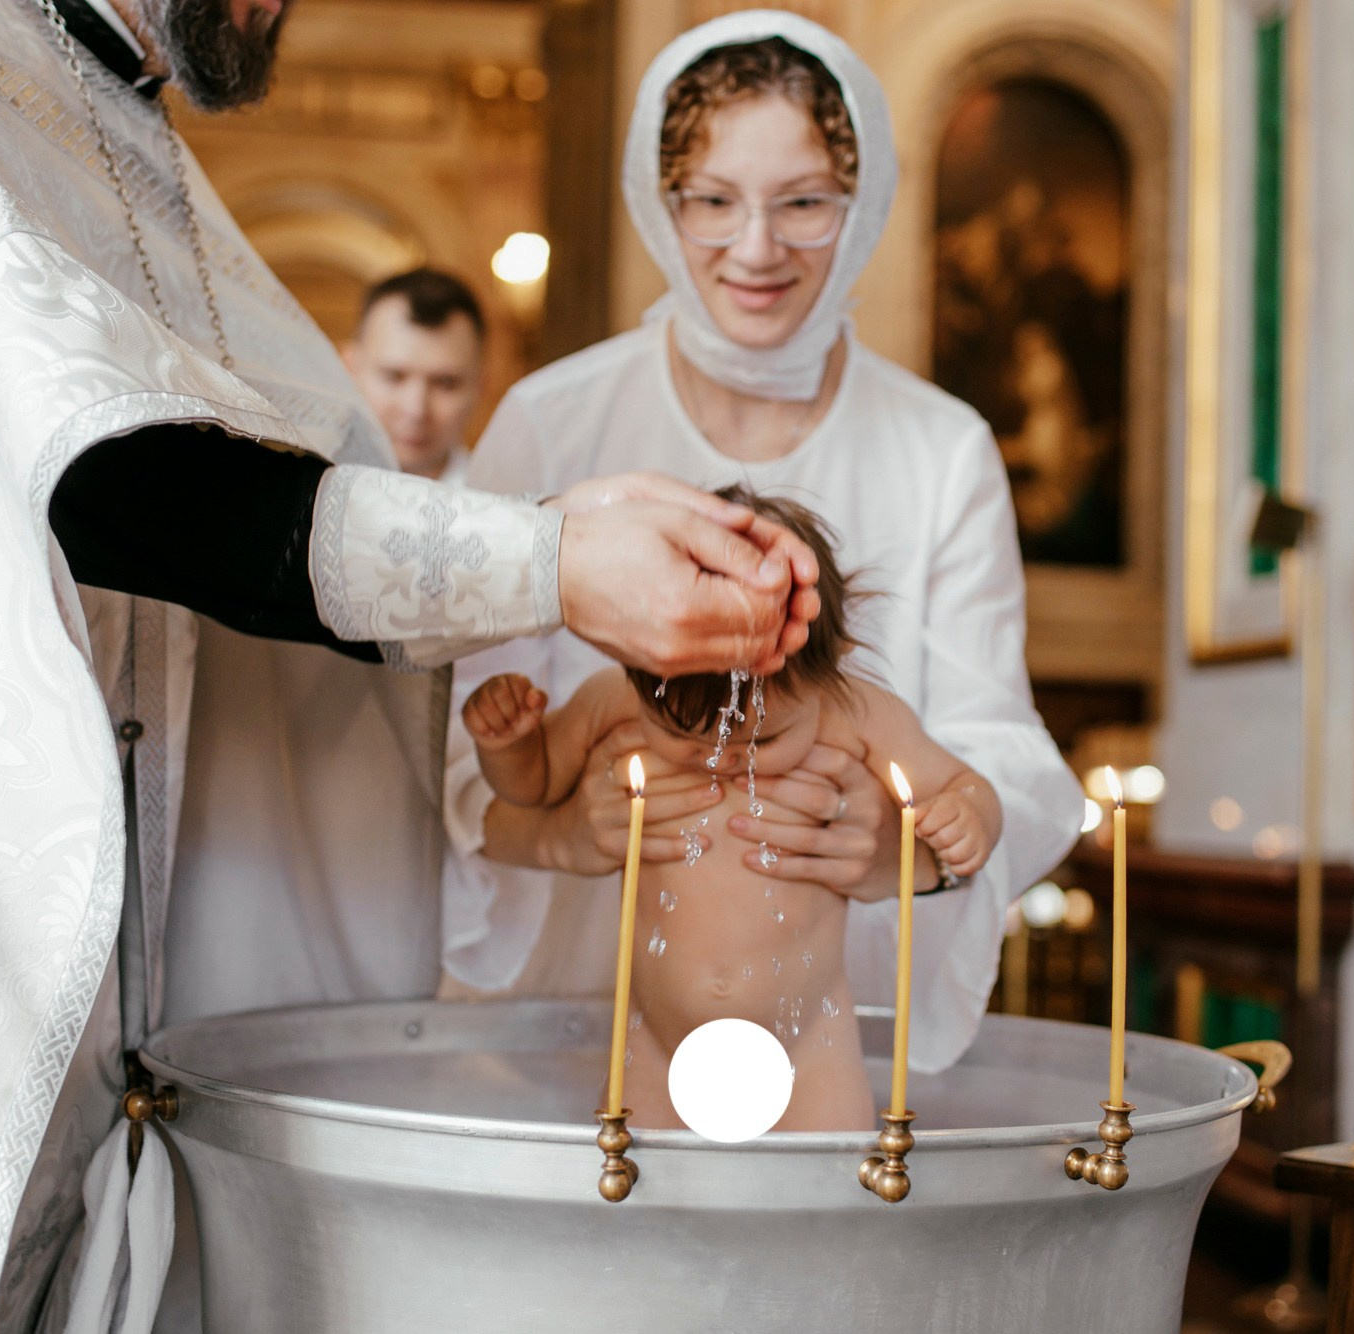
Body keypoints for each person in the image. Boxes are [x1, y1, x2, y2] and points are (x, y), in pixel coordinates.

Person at [0, 3, 824, 1332]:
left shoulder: (102, 113)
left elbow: (244, 578)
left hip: (119, 1061)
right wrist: (549, 560)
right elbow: (114, 492)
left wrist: (503, 793)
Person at [440, 12, 1083, 1077]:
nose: (755, 248)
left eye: (803, 202)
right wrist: (557, 832)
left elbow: (1002, 752)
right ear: (660, 200)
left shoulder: (941, 449)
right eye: (712, 200)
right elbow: (455, 752)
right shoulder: (551, 423)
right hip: (574, 1015)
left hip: (831, 1021)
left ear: (861, 200)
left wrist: (902, 852)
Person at [462, 489, 1002, 1130]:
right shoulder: (614, 700)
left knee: (827, 1199)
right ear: (643, 662)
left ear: (831, 672)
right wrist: (510, 742)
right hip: (655, 1038)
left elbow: (967, 784)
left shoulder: (857, 714)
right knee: (638, 1194)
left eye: (764, 742)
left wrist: (966, 818)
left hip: (810, 1039)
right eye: (685, 737)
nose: (720, 759)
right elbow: (536, 783)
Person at [340, 267, 484, 483]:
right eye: (394, 376)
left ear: (481, 385)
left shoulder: (514, 510)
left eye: (445, 383)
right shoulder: (296, 491)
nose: (416, 410)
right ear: (349, 369)